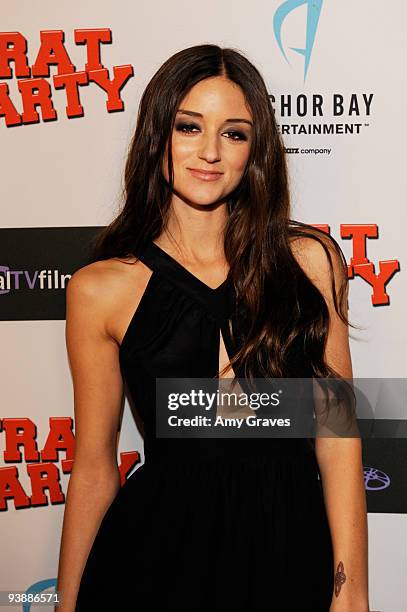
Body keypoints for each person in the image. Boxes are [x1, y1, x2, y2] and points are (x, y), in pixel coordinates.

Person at [56, 44, 369, 612]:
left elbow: (338, 439)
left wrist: (353, 592)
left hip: (287, 556)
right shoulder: (100, 289)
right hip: (153, 564)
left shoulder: (309, 262)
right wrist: (67, 603)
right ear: (158, 136)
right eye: (189, 126)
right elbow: (95, 467)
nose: (209, 152)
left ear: (257, 151)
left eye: (234, 133)